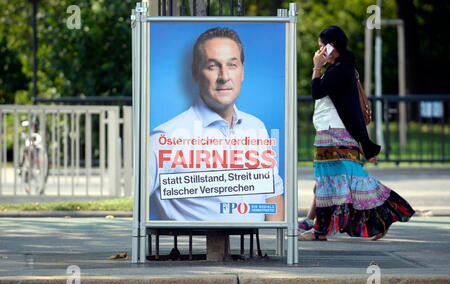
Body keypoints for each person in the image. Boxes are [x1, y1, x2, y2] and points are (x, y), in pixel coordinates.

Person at [149, 27, 284, 221]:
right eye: (213, 66)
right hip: (192, 249)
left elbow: (272, 194)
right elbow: (134, 201)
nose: (224, 76)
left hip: (252, 249)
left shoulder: (256, 127)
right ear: (195, 73)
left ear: (242, 72)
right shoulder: (166, 137)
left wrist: (271, 245)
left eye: (232, 65)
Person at [299, 26, 415, 241]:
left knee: (337, 180)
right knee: (330, 181)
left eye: (322, 47)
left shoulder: (339, 70)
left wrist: (316, 67)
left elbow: (316, 92)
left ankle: (321, 230)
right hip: (334, 131)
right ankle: (319, 226)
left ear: (331, 47)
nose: (320, 52)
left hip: (333, 133)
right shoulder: (342, 68)